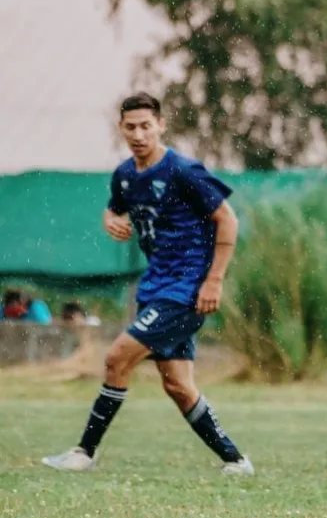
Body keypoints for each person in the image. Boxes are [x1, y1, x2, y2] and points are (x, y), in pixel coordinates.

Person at [42, 92, 253, 475]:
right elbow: (114, 209)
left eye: (145, 126)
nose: (138, 134)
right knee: (178, 385)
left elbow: (227, 219)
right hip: (155, 287)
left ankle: (84, 453)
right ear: (121, 129)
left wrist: (214, 281)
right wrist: (110, 220)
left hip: (186, 289)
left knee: (116, 358)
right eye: (131, 127)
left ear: (161, 125)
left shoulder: (183, 171)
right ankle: (236, 461)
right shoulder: (125, 175)